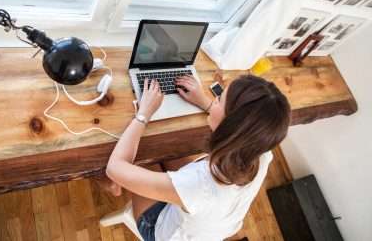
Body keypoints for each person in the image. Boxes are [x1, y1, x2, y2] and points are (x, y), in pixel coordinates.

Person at [105, 74, 291, 241]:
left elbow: (114, 167)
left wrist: (143, 114)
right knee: (167, 148)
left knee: (144, 153)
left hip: (161, 231)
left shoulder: (199, 185)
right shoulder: (261, 152)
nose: (214, 101)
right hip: (216, 226)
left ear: (231, 127)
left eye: (218, 99)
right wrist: (204, 102)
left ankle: (114, 187)